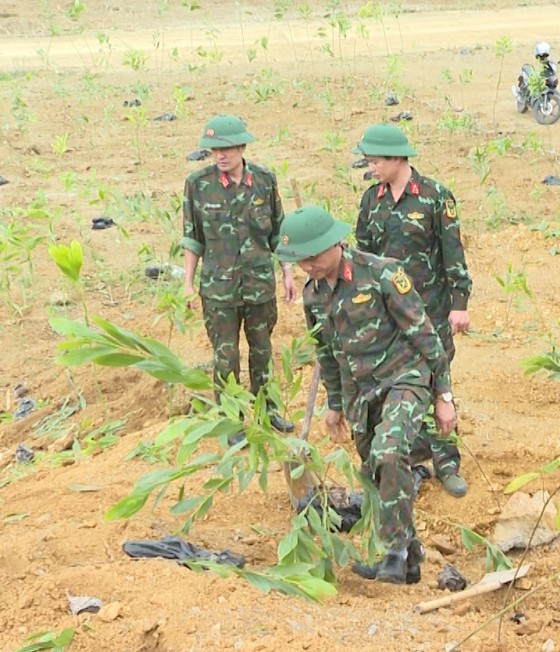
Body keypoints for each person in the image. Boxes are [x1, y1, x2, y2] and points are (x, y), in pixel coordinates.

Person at [278, 206, 456, 586]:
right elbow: (326, 353)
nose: (308, 266)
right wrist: (335, 404)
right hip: (360, 393)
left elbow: (425, 334)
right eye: (300, 260)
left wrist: (443, 395)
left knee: (390, 451)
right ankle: (410, 556)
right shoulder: (313, 296)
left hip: (404, 378)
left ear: (335, 243)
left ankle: (393, 553)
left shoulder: (382, 274)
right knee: (376, 470)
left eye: (313, 256)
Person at [354, 124, 473, 498]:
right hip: (387, 315)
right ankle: (403, 455)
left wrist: (459, 305)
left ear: (396, 159)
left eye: (375, 162)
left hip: (431, 311)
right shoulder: (371, 200)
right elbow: (363, 257)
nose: (370, 168)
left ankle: (446, 461)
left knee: (438, 381)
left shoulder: (436, 197)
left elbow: (453, 253)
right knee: (394, 382)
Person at [181, 114, 295, 436]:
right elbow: (192, 238)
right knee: (225, 358)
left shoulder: (264, 180)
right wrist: (188, 285)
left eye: (227, 148)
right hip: (219, 291)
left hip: (259, 286)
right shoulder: (199, 185)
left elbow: (278, 233)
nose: (220, 155)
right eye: (214, 149)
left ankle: (266, 412)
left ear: (242, 147)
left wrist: (288, 273)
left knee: (262, 353)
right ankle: (231, 421)